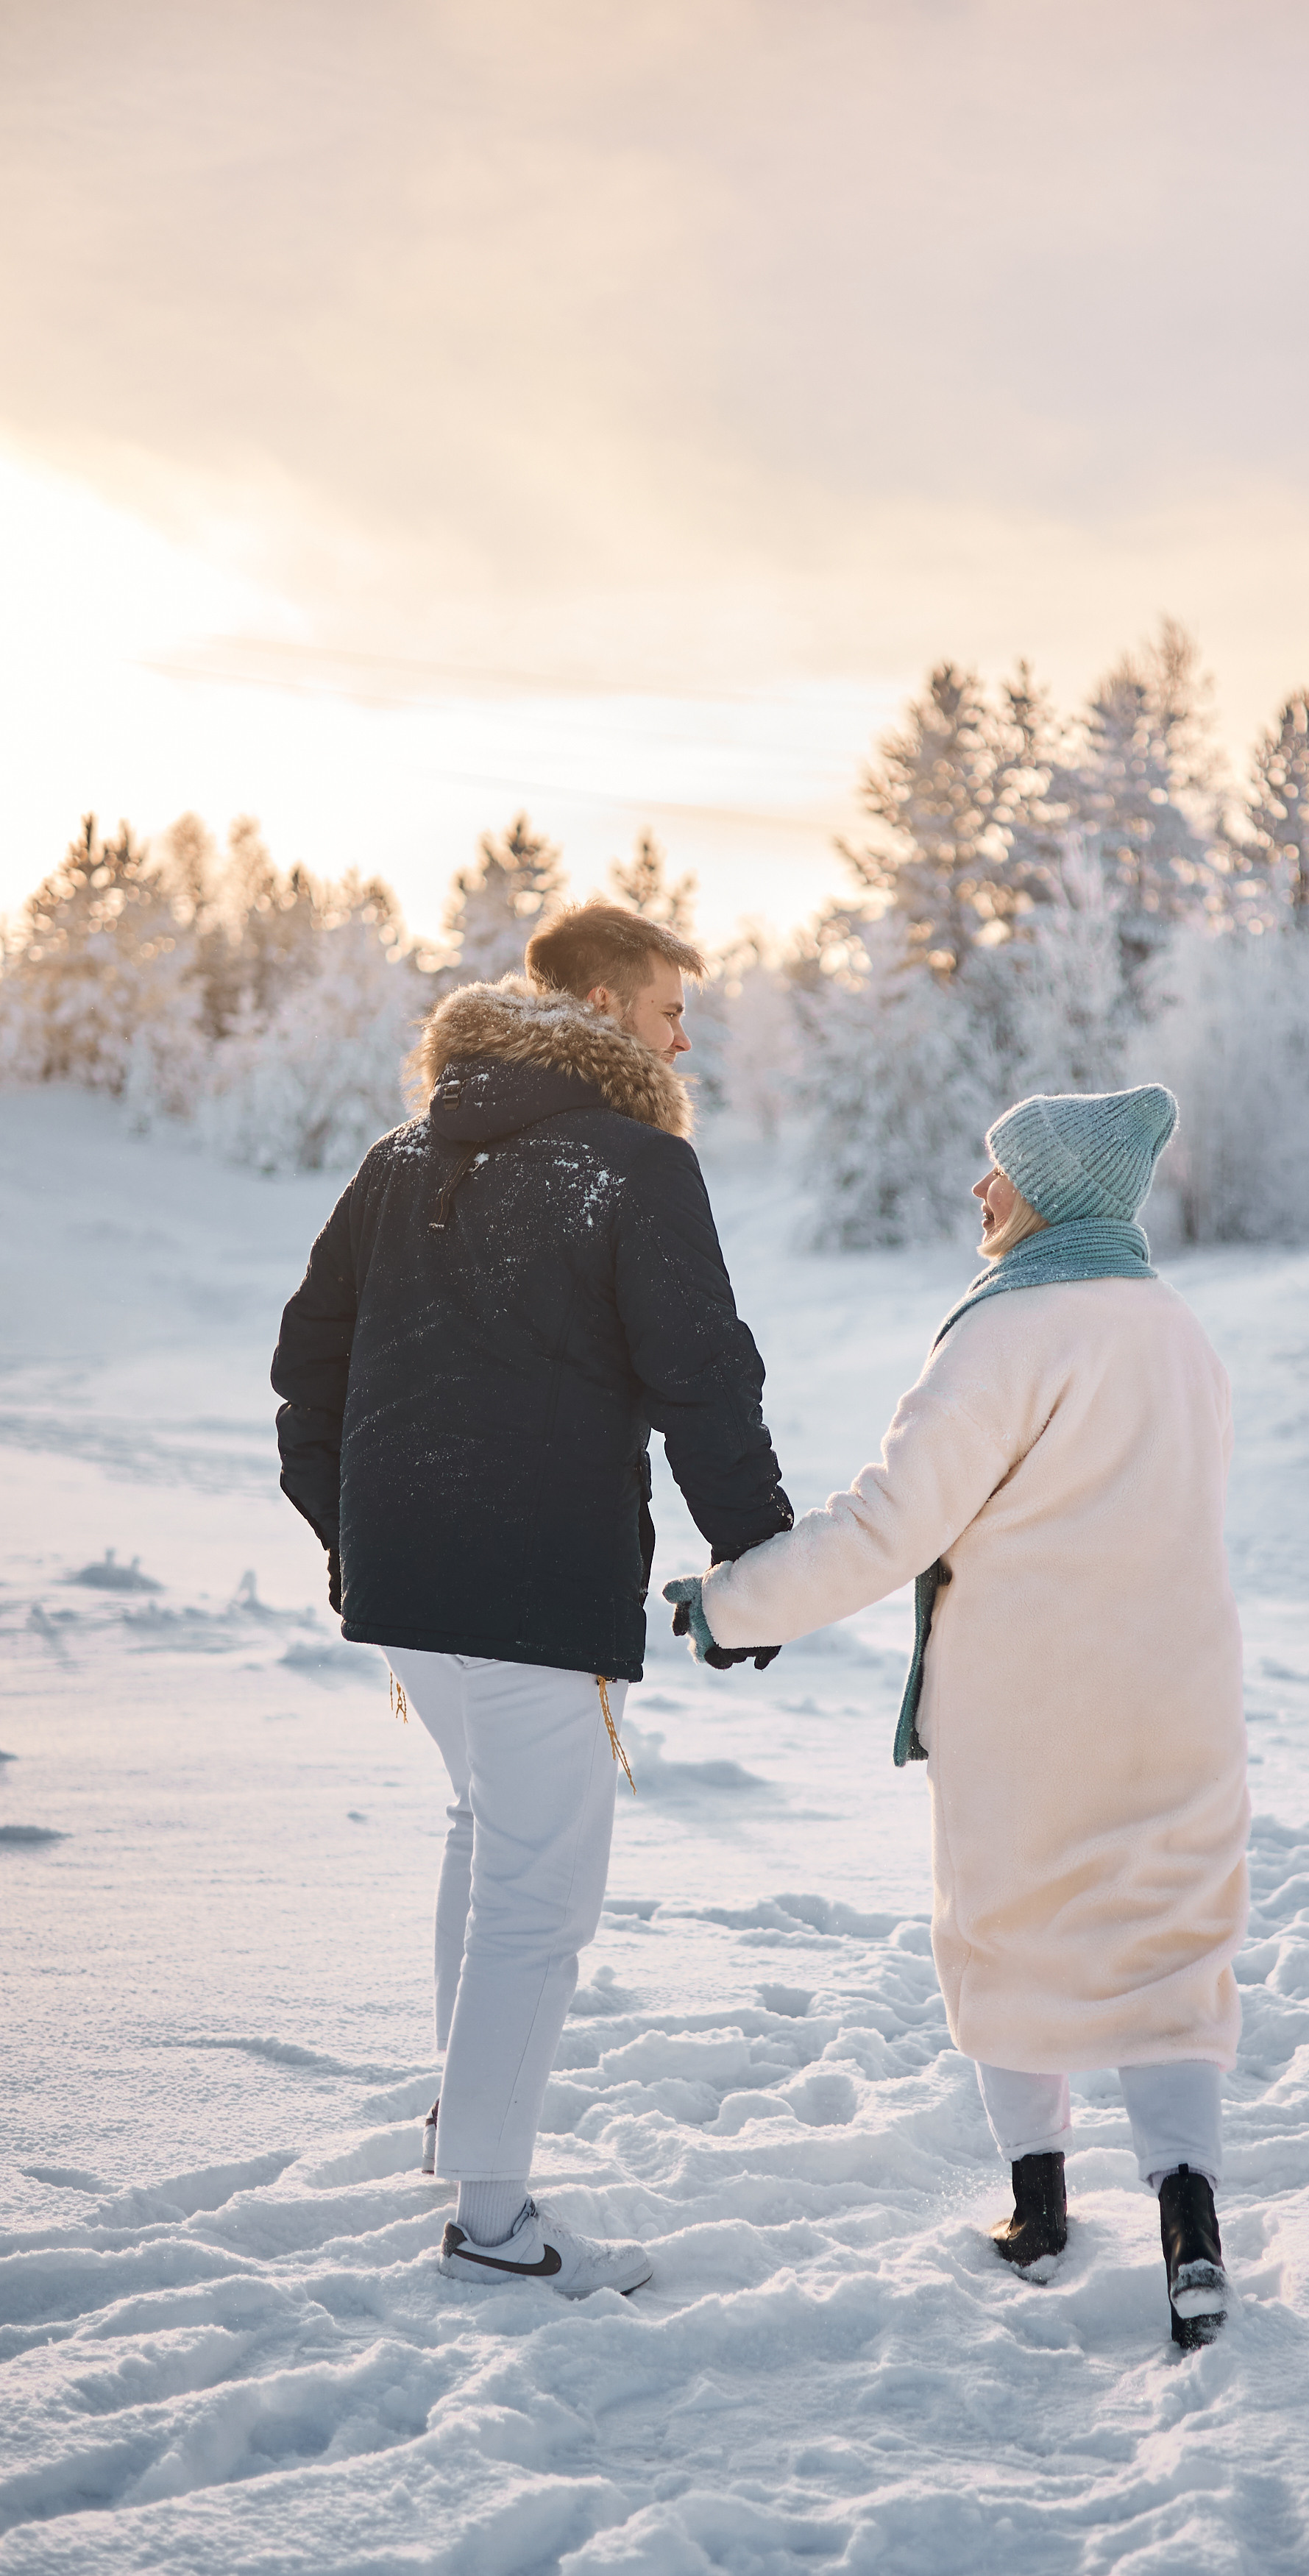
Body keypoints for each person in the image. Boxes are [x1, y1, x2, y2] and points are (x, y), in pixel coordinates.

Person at [665, 1085, 1247, 2351]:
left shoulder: (1009, 1331)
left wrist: (734, 1604)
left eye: (1000, 1173)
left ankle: (1038, 2211)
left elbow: (892, 1521)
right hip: (1181, 1694)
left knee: (1001, 1932)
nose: (979, 1192)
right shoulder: (1176, 1331)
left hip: (1029, 1710)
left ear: (1051, 1194)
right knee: (1168, 1948)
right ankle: (1188, 2228)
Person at [271, 900, 790, 2299]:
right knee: (541, 1888)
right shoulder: (634, 1162)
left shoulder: (402, 1154)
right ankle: (493, 2228)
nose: (689, 1036)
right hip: (522, 1580)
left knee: (486, 1831)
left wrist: (361, 1529)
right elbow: (702, 1375)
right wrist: (758, 1559)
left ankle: (463, 2130)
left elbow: (303, 1362)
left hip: (407, 1587)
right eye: (674, 1009)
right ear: (610, 1009)